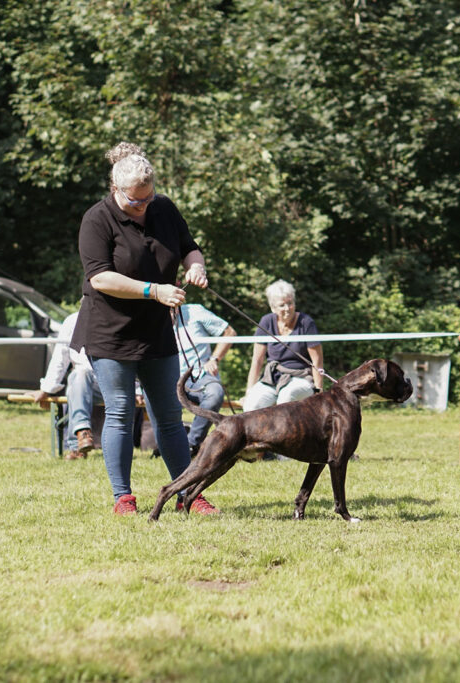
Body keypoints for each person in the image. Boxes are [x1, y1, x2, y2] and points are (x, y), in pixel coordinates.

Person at [70, 141, 217, 516]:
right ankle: (123, 498)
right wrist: (155, 290)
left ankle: (189, 494)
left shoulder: (163, 208)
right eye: (135, 201)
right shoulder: (96, 219)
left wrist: (195, 265)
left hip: (156, 331)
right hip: (110, 330)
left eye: (147, 198)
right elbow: (100, 278)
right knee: (119, 411)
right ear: (115, 190)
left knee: (169, 415)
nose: (142, 207)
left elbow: (189, 246)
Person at [29, 305, 101, 460]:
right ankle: (82, 435)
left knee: (75, 383)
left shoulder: (116, 318)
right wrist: (47, 389)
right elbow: (60, 359)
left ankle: (76, 446)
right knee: (78, 376)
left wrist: (136, 388)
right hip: (82, 383)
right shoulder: (72, 321)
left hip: (113, 383)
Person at [242, 279, 325, 412]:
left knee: (286, 397)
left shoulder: (306, 322)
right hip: (273, 378)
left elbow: (317, 360)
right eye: (282, 305)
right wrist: (249, 391)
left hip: (301, 378)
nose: (287, 309)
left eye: (290, 303)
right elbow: (257, 360)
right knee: (252, 404)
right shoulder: (266, 321)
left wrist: (319, 392)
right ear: (273, 308)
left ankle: (284, 433)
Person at [173, 303, 236, 457]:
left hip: (198, 376)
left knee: (215, 393)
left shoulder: (195, 311)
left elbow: (230, 332)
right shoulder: (149, 318)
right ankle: (168, 445)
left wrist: (214, 358)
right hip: (166, 378)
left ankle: (191, 444)